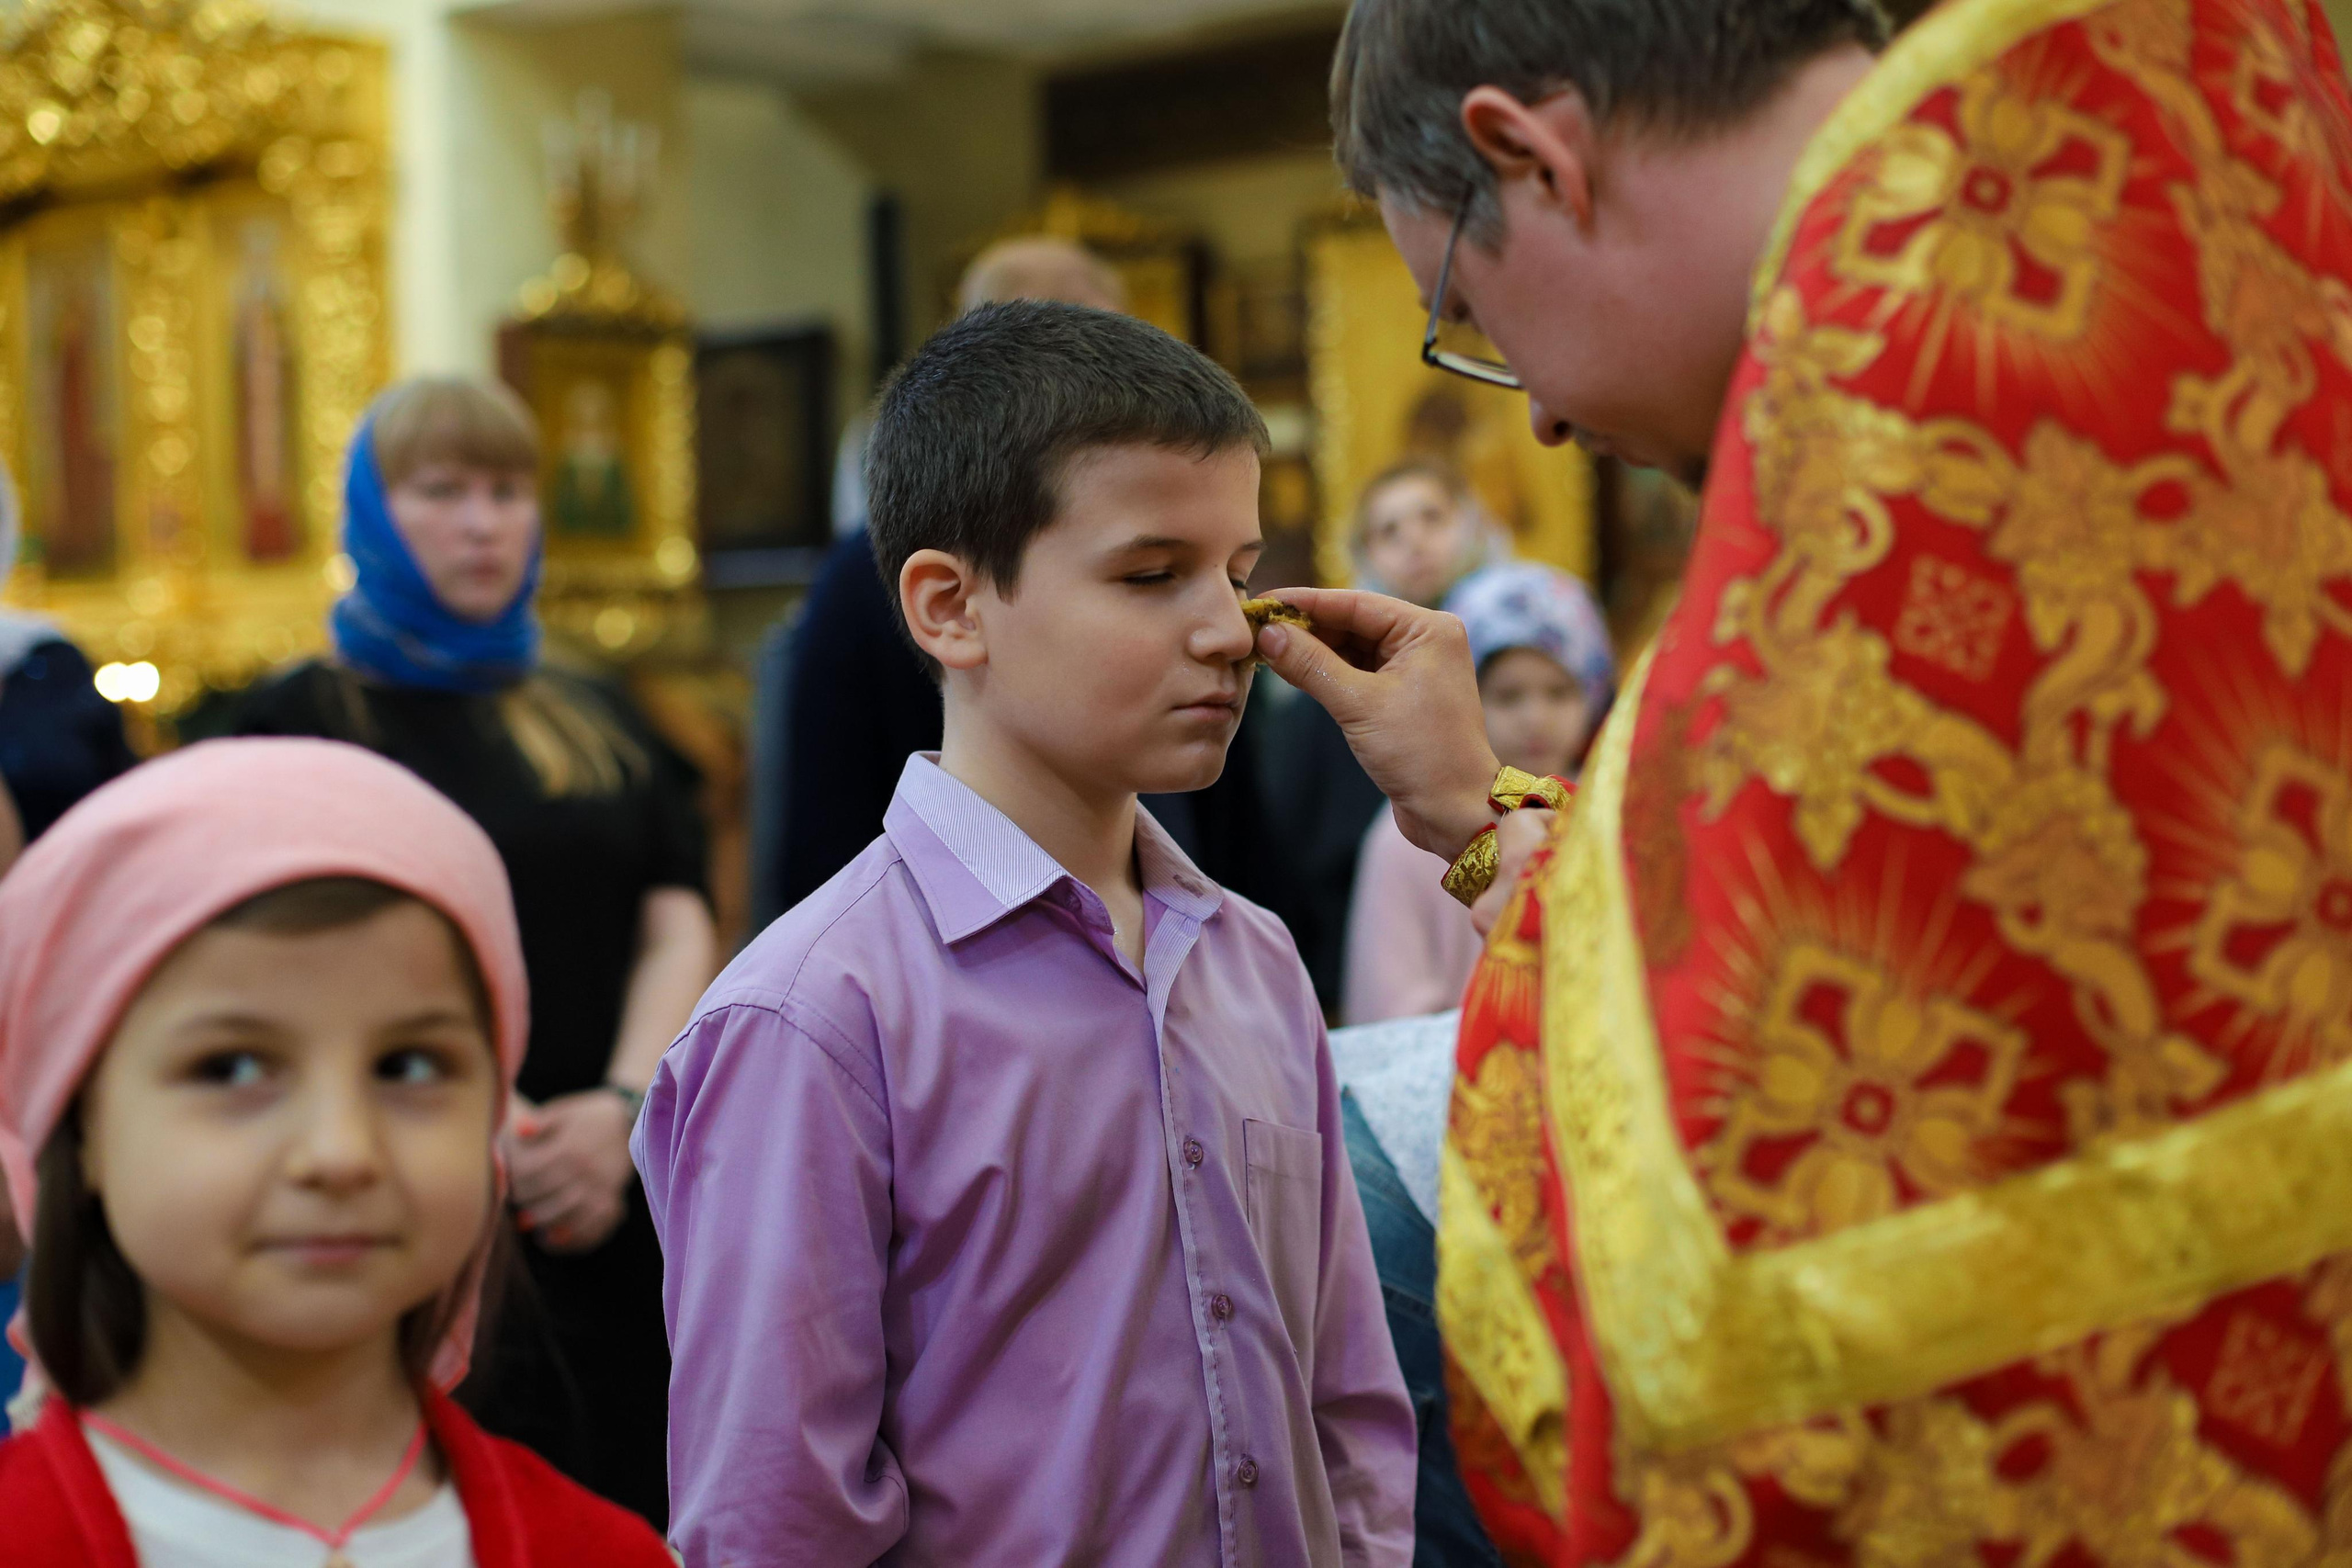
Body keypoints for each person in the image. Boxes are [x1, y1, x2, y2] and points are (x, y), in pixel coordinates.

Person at [1239, 0, 2352, 1557]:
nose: (1542, 415)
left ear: (1533, 158)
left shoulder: (1910, 404)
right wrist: (1483, 807)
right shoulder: (2138, 157)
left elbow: (1766, 1177)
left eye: (1476, 320)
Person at [635, 301, 1417, 1566]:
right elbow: (775, 1516)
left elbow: (1347, 1401)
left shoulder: (1251, 957)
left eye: (1239, 570)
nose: (1228, 630)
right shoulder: (816, 1016)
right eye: (1151, 574)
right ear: (951, 606)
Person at [0, 738, 673, 1567]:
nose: (341, 1152)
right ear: (81, 1125)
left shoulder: (605, 1554)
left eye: (410, 1066)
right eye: (232, 1067)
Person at [231, 378, 714, 1527]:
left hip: (603, 1184)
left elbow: (675, 914)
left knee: (618, 1503)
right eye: (441, 491)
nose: (485, 521)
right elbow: (274, 963)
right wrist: (464, 1113)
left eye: (506, 491)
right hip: (401, 1180)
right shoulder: (293, 719)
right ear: (369, 515)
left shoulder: (593, 710)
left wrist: (620, 1108)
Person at [1342, 562, 1611, 1026]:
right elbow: (1389, 1010)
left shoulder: (1610, 807)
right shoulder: (1408, 832)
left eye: (1559, 693)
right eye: (1508, 696)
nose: (1536, 718)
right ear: (1462, 699)